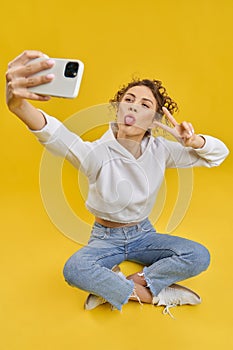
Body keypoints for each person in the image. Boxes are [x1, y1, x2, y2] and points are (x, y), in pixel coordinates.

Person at [5, 50, 229, 316]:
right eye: (129, 99)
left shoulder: (162, 150)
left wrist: (195, 142)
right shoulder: (94, 153)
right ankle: (153, 294)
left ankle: (112, 286)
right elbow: (53, 133)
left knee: (199, 255)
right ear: (119, 107)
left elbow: (218, 155)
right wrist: (18, 105)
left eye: (146, 105)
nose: (134, 106)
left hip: (144, 235)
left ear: (154, 121)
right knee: (75, 270)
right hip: (104, 238)